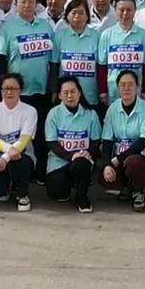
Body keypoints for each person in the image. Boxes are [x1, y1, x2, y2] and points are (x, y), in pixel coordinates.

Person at [0, 0, 55, 175]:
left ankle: (39, 171)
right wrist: (5, 88)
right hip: (19, 93)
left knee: (41, 134)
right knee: (19, 134)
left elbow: (53, 60)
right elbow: (0, 58)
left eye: (31, 1)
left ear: (37, 4)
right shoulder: (7, 27)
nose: (27, 5)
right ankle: (19, 172)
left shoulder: (46, 26)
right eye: (23, 1)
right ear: (16, 4)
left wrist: (52, 87)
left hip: (42, 90)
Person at [99, 69, 145, 212]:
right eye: (122, 85)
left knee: (133, 162)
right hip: (118, 159)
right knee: (103, 176)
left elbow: (143, 141)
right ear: (118, 88)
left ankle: (138, 192)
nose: (126, 88)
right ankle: (127, 186)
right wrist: (107, 164)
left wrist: (118, 159)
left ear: (137, 87)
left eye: (130, 84)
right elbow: (107, 141)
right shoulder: (112, 109)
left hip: (142, 158)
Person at [45, 77, 102, 213]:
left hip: (82, 160)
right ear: (59, 95)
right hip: (59, 162)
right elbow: (51, 142)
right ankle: (72, 183)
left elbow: (95, 140)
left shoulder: (91, 114)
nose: (70, 96)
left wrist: (87, 154)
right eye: (65, 93)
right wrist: (71, 156)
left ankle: (82, 196)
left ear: (79, 93)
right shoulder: (54, 114)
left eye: (73, 91)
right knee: (57, 193)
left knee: (81, 163)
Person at [0, 74, 38, 210]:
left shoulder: (30, 111)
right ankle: (9, 184)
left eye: (13, 88)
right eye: (6, 88)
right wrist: (8, 151)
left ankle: (23, 195)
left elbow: (24, 140)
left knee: (17, 159)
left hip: (22, 156)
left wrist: (6, 156)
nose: (9, 92)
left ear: (20, 90)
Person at [96, 0, 145, 106]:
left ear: (135, 11)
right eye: (121, 10)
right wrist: (103, 91)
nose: (125, 13)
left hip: (137, 90)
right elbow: (102, 66)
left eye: (129, 10)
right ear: (115, 10)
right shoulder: (106, 34)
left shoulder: (144, 35)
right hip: (113, 90)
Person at [52, 0, 101, 114]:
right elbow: (54, 64)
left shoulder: (97, 37)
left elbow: (101, 66)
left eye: (81, 13)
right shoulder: (59, 36)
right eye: (73, 13)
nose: (77, 16)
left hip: (90, 94)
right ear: (67, 16)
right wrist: (54, 90)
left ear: (87, 16)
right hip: (66, 95)